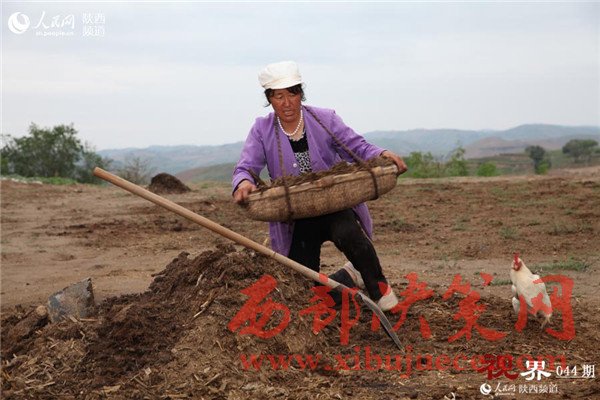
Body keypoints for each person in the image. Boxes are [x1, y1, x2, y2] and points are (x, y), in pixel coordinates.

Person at [232, 61, 407, 311]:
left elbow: (356, 147)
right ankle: (348, 278)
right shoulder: (262, 129)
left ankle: (378, 289)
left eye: (292, 93)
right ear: (269, 99)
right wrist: (243, 182)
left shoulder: (325, 119)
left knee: (350, 234)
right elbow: (246, 166)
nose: (287, 102)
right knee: (305, 291)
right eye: (278, 96)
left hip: (333, 202)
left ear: (300, 93)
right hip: (296, 214)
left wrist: (381, 153)